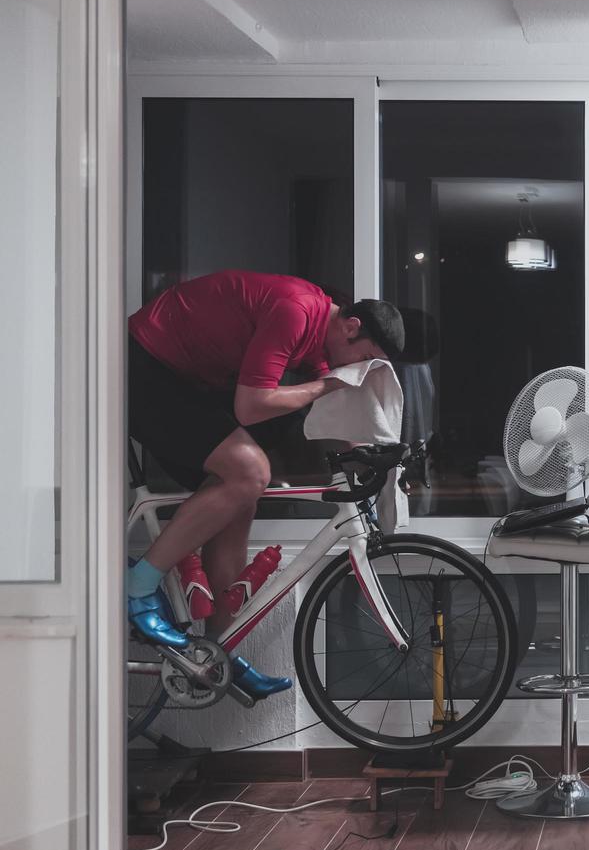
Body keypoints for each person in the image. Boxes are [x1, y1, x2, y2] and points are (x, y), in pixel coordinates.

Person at [127, 270, 404, 698]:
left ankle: (218, 650)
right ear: (350, 327)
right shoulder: (296, 310)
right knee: (250, 471)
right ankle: (138, 587)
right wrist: (328, 382)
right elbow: (252, 406)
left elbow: (333, 411)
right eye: (361, 360)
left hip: (190, 380)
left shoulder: (324, 336)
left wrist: (373, 453)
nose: (355, 371)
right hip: (148, 363)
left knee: (244, 495)